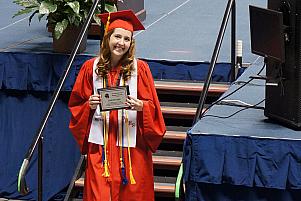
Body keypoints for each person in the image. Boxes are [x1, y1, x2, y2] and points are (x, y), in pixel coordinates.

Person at [68, 10, 166, 201]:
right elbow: (77, 104)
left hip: (132, 149)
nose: (121, 43)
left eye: (127, 39)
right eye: (117, 36)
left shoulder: (141, 69)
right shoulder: (91, 67)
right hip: (101, 148)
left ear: (131, 43)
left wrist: (142, 107)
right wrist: (88, 105)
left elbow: (153, 108)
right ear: (107, 38)